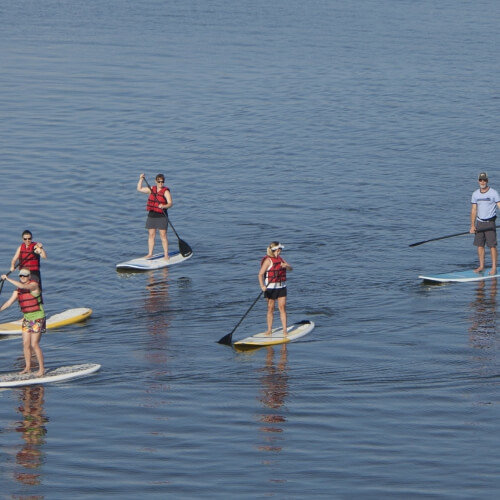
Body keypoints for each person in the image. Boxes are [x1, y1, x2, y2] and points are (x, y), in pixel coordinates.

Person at [0, 269, 45, 376]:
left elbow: (24, 287)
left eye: (25, 276)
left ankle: (41, 369)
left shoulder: (33, 285)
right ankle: (28, 368)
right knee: (25, 344)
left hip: (37, 318)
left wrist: (7, 279)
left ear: (29, 276)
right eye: (21, 276)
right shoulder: (17, 290)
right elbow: (9, 302)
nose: (23, 278)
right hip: (27, 319)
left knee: (34, 344)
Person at [258, 242, 293, 336]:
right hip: (270, 288)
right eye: (279, 249)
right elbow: (260, 274)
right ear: (276, 250)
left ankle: (285, 330)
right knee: (270, 308)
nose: (280, 251)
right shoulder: (268, 261)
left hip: (281, 286)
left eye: (280, 249)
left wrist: (286, 266)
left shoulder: (281, 259)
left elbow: (291, 268)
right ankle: (269, 330)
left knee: (282, 307)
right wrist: (262, 286)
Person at [137, 173, 173, 260]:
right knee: (151, 235)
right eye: (159, 181)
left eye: (162, 182)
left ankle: (166, 255)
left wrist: (164, 206)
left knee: (163, 235)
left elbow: (170, 203)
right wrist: (141, 179)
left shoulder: (166, 191)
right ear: (155, 181)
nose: (161, 183)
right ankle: (150, 254)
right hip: (152, 215)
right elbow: (139, 189)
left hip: (162, 216)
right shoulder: (151, 189)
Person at [470, 172, 500, 275]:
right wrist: (473, 226)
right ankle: (481, 266)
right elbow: (474, 210)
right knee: (480, 245)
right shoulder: (475, 194)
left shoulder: (493, 193)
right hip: (479, 223)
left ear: (487, 181)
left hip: (490, 223)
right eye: (481, 180)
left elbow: (499, 205)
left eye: (484, 180)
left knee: (492, 246)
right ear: (478, 181)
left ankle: (494, 268)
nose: (482, 182)